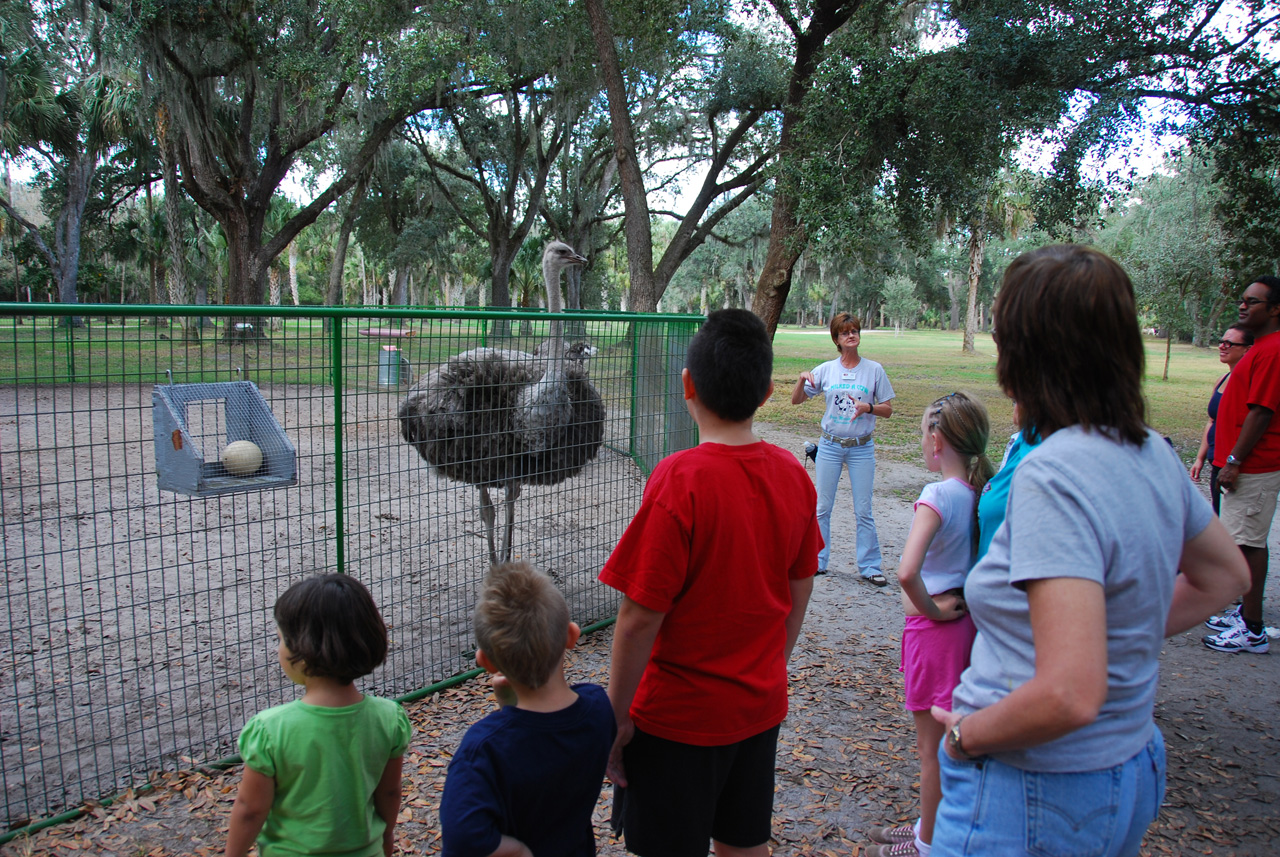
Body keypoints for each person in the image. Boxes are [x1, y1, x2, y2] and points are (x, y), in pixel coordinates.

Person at [929, 245, 1249, 857]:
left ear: (1024, 350)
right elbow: (1224, 577)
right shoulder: (1149, 451)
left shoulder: (1054, 474)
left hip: (1033, 783)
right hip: (1129, 760)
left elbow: (1069, 693)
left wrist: (966, 737)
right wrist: (1110, 637)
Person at [601, 308, 822, 857]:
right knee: (745, 844)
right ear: (768, 392)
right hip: (758, 709)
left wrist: (616, 717)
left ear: (687, 386)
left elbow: (638, 616)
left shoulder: (680, 481)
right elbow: (800, 591)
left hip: (677, 720)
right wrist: (769, 667)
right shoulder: (794, 475)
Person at [866, 393, 993, 857]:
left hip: (936, 633)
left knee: (930, 747)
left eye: (923, 433)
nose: (922, 441)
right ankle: (931, 822)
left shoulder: (936, 495)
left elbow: (906, 570)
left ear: (936, 441)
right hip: (961, 633)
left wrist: (933, 611)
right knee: (942, 740)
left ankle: (928, 842)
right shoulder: (978, 492)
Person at [225, 574, 412, 857]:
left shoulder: (270, 730)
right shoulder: (389, 718)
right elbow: (389, 793)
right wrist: (386, 838)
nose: (278, 649)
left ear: (302, 649)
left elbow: (250, 809)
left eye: (281, 640)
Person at [440, 560, 614, 857]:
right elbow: (543, 741)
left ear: (485, 662)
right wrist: (509, 706)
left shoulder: (483, 751)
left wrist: (518, 852)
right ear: (572, 636)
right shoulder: (598, 710)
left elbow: (463, 840)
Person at [791, 312, 896, 583]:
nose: (851, 335)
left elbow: (888, 409)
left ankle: (870, 567)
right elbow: (796, 401)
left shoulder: (874, 370)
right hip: (830, 446)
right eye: (845, 332)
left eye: (855, 331)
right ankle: (818, 561)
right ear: (836, 339)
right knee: (823, 506)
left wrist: (868, 407)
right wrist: (802, 379)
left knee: (863, 509)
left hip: (861, 447)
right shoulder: (827, 369)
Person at [1206, 274, 1280, 654]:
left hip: (1254, 465)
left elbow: (1262, 412)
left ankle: (1253, 630)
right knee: (1243, 541)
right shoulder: (1261, 347)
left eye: (1253, 302)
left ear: (1275, 309)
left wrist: (1234, 460)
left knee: (1248, 545)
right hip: (1242, 464)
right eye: (1243, 299)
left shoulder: (1272, 351)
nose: (1243, 305)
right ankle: (1243, 613)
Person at [1190, 324, 1255, 515]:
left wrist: (1234, 461)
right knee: (1219, 516)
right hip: (1216, 461)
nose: (1222, 346)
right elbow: (1211, 421)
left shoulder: (1251, 382)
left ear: (1247, 349)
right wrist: (1200, 458)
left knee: (1238, 529)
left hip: (1235, 466)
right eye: (1221, 342)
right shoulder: (1222, 379)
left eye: (1229, 343)